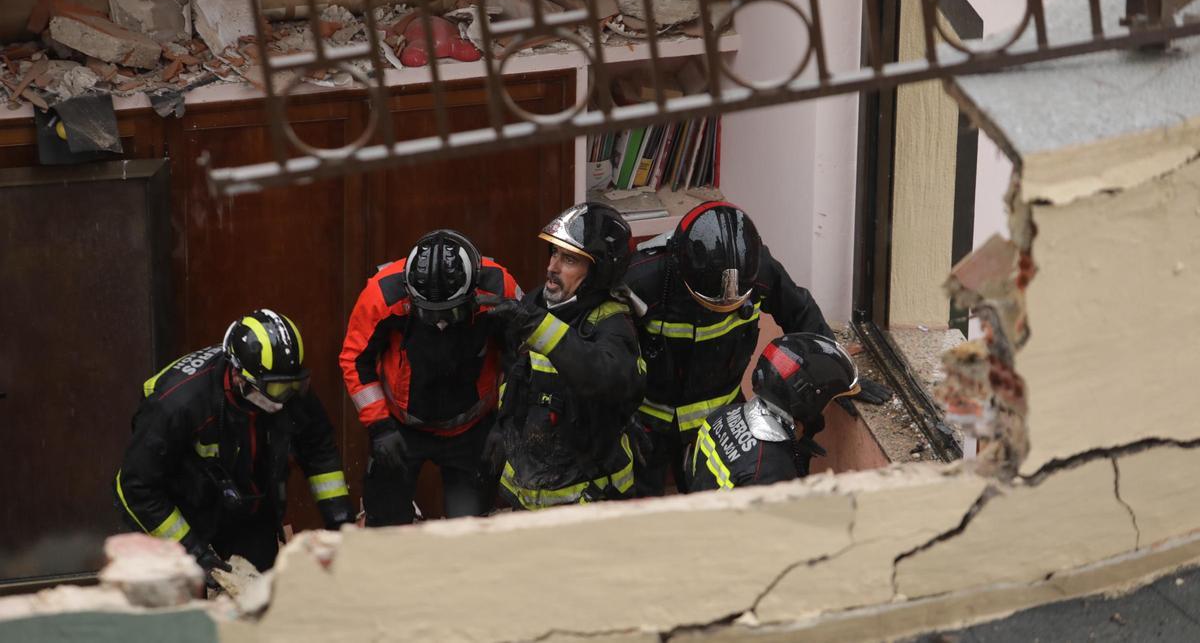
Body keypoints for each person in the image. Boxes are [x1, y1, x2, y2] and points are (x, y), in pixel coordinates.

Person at [624, 201, 891, 495]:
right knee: (643, 506)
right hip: (648, 423)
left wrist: (840, 373)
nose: (725, 308)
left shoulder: (758, 269)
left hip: (721, 415)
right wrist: (620, 416)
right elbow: (610, 349)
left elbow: (800, 311)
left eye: (734, 304)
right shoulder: (642, 279)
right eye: (712, 304)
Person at [114, 309, 353, 582]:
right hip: (181, 509)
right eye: (276, 389)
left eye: (294, 385)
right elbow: (135, 487)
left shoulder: (284, 386)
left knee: (256, 598)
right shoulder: (177, 405)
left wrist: (339, 520)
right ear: (239, 376)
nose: (286, 399)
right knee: (180, 604)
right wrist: (193, 552)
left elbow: (318, 447)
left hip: (247, 504)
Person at [340, 229, 520, 525]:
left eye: (450, 313)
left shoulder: (500, 287)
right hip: (401, 428)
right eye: (429, 313)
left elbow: (521, 357)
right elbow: (355, 359)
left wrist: (507, 424)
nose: (439, 322)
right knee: (385, 524)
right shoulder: (383, 294)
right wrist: (380, 426)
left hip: (473, 429)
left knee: (470, 530)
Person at [486, 202, 647, 509]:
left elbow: (601, 377)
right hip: (530, 492)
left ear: (598, 272)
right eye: (554, 253)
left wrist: (537, 325)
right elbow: (517, 375)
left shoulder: (613, 324)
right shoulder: (538, 302)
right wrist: (502, 426)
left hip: (588, 501)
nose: (552, 267)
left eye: (569, 259)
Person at [684, 333, 859, 491]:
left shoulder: (724, 414)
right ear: (808, 400)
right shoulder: (772, 469)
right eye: (828, 399)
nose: (827, 407)